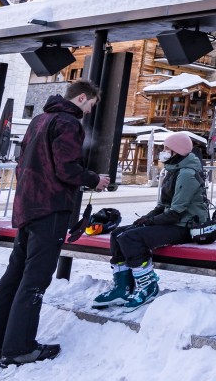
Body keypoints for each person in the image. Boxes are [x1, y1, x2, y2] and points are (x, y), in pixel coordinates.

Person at [0, 80, 109, 366]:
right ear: (82, 98)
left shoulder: (39, 119)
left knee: (13, 277)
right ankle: (19, 348)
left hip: (27, 206)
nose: (88, 112)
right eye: (90, 105)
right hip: (50, 208)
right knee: (35, 281)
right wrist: (94, 180)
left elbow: (22, 162)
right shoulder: (68, 123)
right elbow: (66, 169)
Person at [90, 131, 209, 312]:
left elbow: (176, 212)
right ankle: (123, 287)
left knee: (131, 238)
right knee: (117, 233)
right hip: (173, 222)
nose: (163, 152)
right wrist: (146, 218)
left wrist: (150, 223)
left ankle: (148, 286)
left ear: (176, 151)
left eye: (166, 149)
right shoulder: (173, 170)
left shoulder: (187, 174)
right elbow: (162, 206)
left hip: (186, 226)